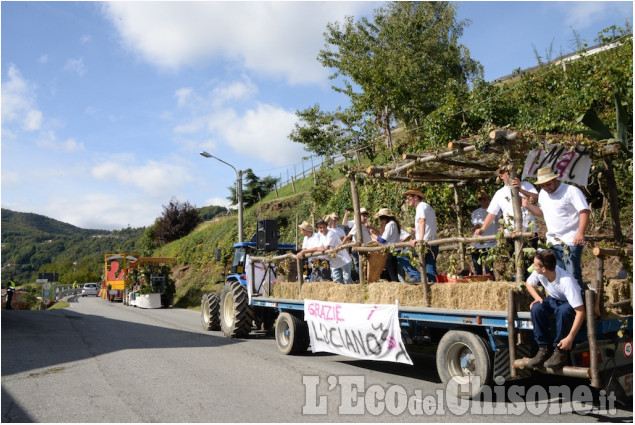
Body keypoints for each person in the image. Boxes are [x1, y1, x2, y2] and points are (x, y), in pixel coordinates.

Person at [524, 166, 590, 290]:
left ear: (555, 179)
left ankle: (578, 307)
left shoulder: (571, 191)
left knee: (572, 275)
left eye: (548, 184)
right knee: (557, 276)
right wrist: (528, 206)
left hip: (571, 240)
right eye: (542, 185)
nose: (546, 187)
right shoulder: (543, 194)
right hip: (553, 242)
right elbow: (542, 212)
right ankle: (563, 305)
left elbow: (584, 211)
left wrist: (580, 232)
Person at [525, 249, 585, 369]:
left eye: (535, 265)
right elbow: (528, 283)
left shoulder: (566, 281)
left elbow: (581, 312)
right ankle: (544, 348)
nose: (533, 266)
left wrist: (570, 338)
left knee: (563, 311)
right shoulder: (539, 272)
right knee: (537, 308)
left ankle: (560, 351)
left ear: (544, 269)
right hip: (555, 299)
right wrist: (537, 297)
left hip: (570, 301)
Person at [474, 166, 538, 277]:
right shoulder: (499, 193)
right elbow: (492, 213)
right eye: (507, 172)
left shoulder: (526, 185)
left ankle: (532, 289)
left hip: (529, 231)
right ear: (501, 175)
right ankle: (521, 287)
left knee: (531, 265)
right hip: (511, 233)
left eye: (511, 171)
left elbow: (537, 198)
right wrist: (483, 228)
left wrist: (520, 189)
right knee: (517, 263)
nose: (510, 174)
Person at [403, 189, 438, 282]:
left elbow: (422, 221)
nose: (407, 200)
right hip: (432, 242)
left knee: (401, 255)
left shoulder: (420, 206)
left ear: (415, 197)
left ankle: (417, 276)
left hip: (425, 243)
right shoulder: (427, 206)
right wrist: (414, 230)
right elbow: (425, 225)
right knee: (430, 271)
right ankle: (432, 293)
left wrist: (419, 240)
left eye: (408, 198)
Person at [470, 190, 499, 276]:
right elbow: (475, 227)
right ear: (479, 201)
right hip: (477, 244)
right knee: (477, 269)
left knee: (488, 269)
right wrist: (474, 229)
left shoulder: (495, 210)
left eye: (486, 199)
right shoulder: (476, 213)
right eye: (481, 199)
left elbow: (502, 221)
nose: (484, 201)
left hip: (490, 244)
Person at [315, 219, 353, 284]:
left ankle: (353, 293)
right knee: (336, 281)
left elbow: (327, 247)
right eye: (320, 228)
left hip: (343, 259)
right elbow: (318, 247)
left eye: (323, 227)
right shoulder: (320, 236)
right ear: (317, 229)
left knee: (347, 279)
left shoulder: (331, 233)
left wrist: (319, 249)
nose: (322, 229)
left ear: (326, 226)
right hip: (334, 261)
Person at [369, 208, 401, 282]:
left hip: (391, 251)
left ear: (384, 218)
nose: (381, 221)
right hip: (395, 250)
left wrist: (372, 234)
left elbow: (383, 240)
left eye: (381, 219)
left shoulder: (390, 224)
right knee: (392, 273)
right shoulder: (394, 223)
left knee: (392, 274)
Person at [341, 208, 373, 277]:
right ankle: (361, 279)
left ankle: (364, 278)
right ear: (359, 216)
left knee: (364, 264)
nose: (365, 217)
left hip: (366, 248)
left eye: (366, 216)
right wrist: (341, 246)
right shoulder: (357, 225)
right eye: (363, 216)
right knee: (360, 264)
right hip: (358, 248)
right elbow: (348, 236)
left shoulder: (366, 225)